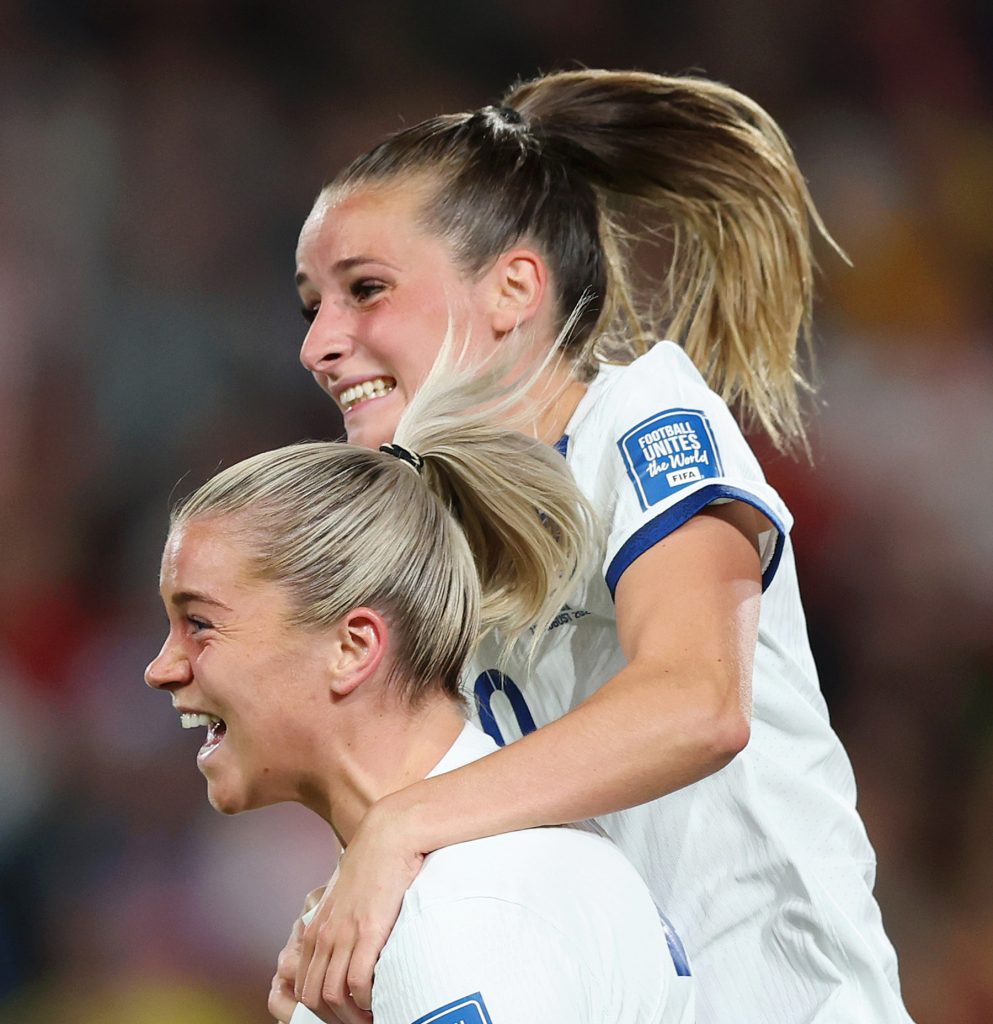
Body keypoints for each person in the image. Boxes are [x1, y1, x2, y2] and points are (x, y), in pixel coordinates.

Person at [286, 68, 915, 1024]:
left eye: (364, 289)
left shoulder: (642, 414)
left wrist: (398, 831)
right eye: (312, 308)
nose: (318, 344)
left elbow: (697, 703)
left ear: (512, 288)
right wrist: (361, 911)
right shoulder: (432, 545)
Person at [144, 356, 695, 1024]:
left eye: (200, 624)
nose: (160, 669)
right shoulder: (471, 880)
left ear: (353, 648)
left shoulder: (460, 914)